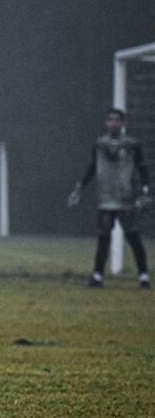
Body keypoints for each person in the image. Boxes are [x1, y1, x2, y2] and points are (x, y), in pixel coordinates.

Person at [68, 107, 151, 289]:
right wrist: (79, 187)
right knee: (103, 238)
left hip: (126, 198)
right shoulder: (99, 144)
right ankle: (97, 276)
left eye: (117, 120)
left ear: (122, 123)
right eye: (111, 120)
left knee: (133, 237)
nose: (114, 123)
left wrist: (145, 190)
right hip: (105, 198)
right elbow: (91, 167)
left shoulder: (131, 145)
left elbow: (142, 167)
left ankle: (144, 276)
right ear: (107, 123)